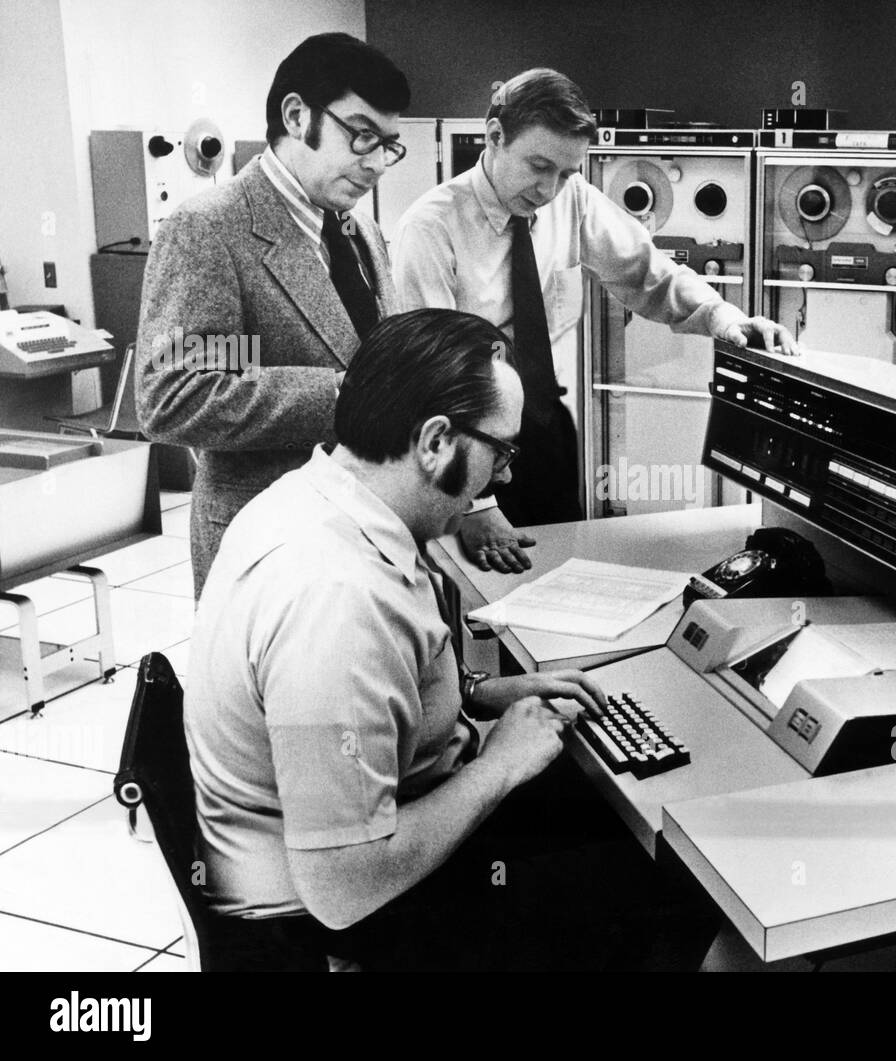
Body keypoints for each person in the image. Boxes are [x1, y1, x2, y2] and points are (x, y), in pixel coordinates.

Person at [186, 309, 712, 970]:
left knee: (610, 800)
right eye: (500, 452)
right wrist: (500, 765)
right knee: (673, 871)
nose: (506, 478)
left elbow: (379, 691)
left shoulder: (308, 500)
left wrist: (482, 691)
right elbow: (342, 891)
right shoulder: (338, 599)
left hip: (369, 831)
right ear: (435, 441)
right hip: (367, 914)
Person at [393, 67, 797, 575]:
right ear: (495, 137)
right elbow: (431, 379)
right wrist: (476, 503)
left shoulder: (572, 198)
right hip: (464, 437)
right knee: (482, 595)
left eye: (565, 172)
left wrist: (725, 318)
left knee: (559, 574)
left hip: (543, 424)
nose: (549, 189)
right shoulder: (429, 228)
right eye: (539, 166)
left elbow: (648, 273)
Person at [136, 33, 408, 598]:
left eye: (389, 144)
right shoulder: (213, 231)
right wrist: (346, 397)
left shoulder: (364, 235)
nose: (378, 162)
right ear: (295, 115)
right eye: (362, 136)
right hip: (264, 550)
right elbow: (177, 394)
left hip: (364, 536)